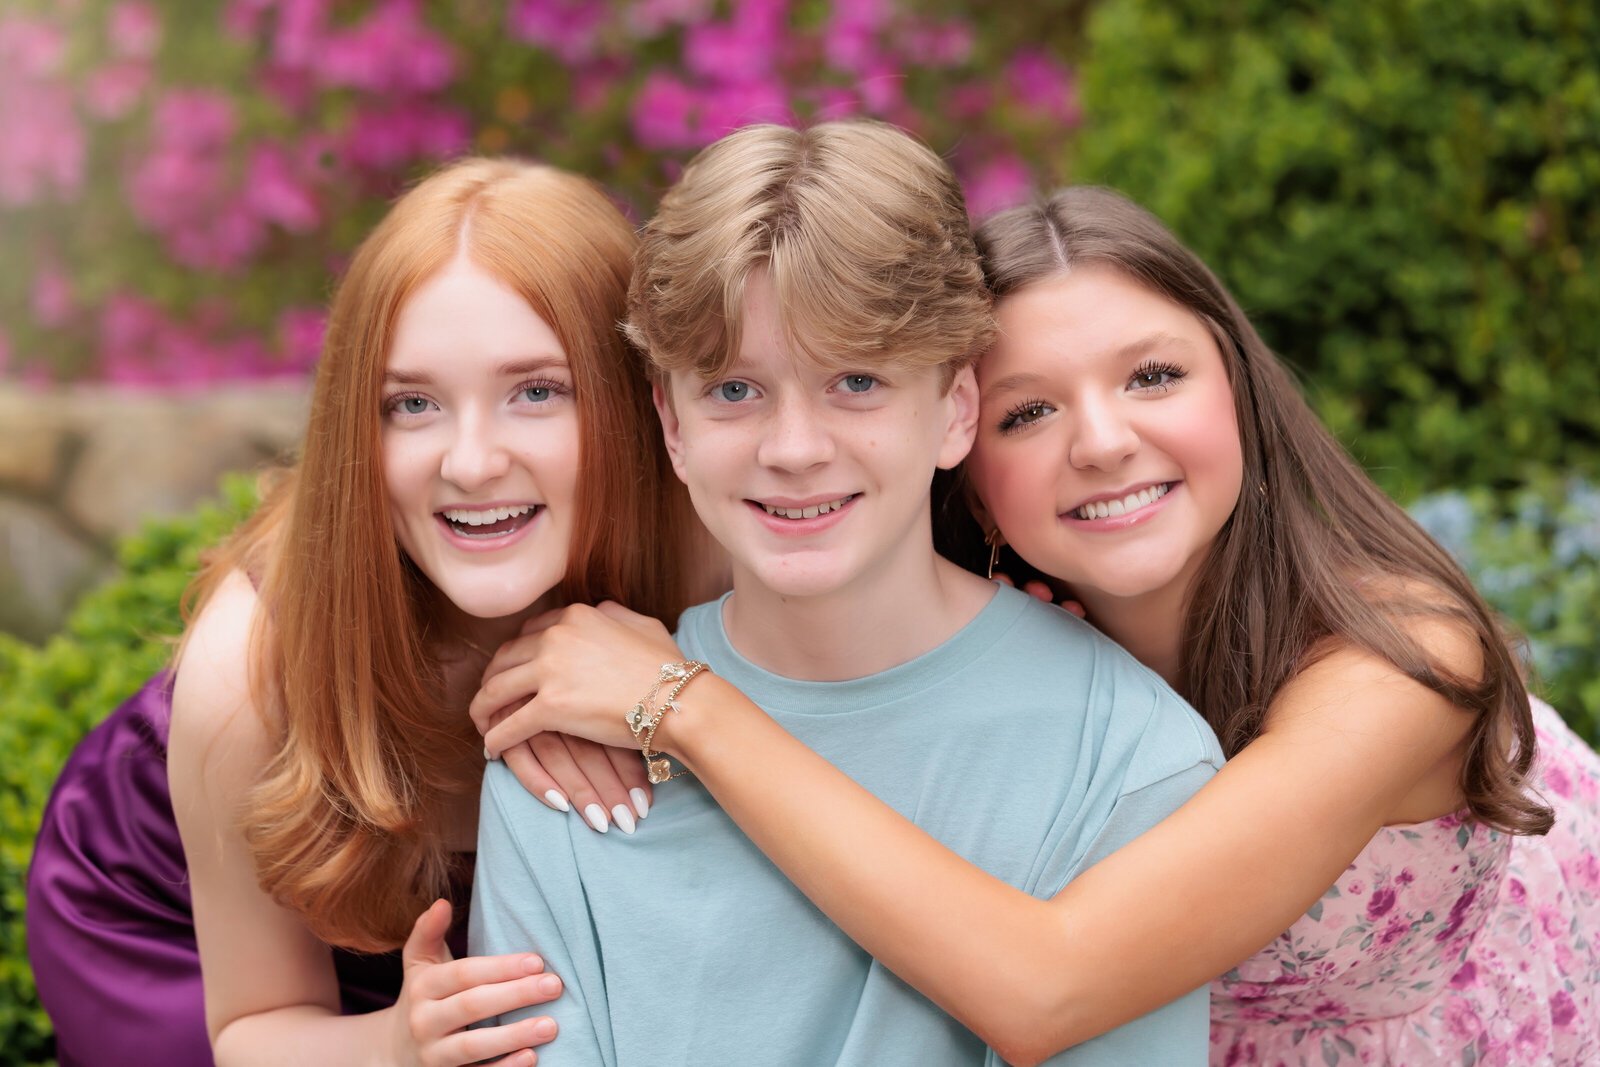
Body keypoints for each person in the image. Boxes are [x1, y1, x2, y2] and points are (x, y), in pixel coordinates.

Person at [474, 184, 1600, 1065]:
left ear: (1239, 386)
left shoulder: (1393, 657)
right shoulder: (989, 625)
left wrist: (679, 707)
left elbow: (1043, 987)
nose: (1102, 441)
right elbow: (740, 509)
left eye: (1153, 374)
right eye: (1032, 409)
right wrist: (546, 670)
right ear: (961, 437)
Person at [468, 121, 1222, 1066]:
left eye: (856, 380)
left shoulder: (1130, 761)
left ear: (956, 408)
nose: (793, 449)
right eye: (734, 390)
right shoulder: (569, 747)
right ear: (671, 424)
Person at [25, 157, 702, 1067]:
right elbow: (250, 1027)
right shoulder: (250, 666)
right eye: (411, 403)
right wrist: (396, 1044)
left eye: (536, 390)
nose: (470, 462)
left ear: (631, 400)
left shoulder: (714, 551)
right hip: (198, 929)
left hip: (465, 965)